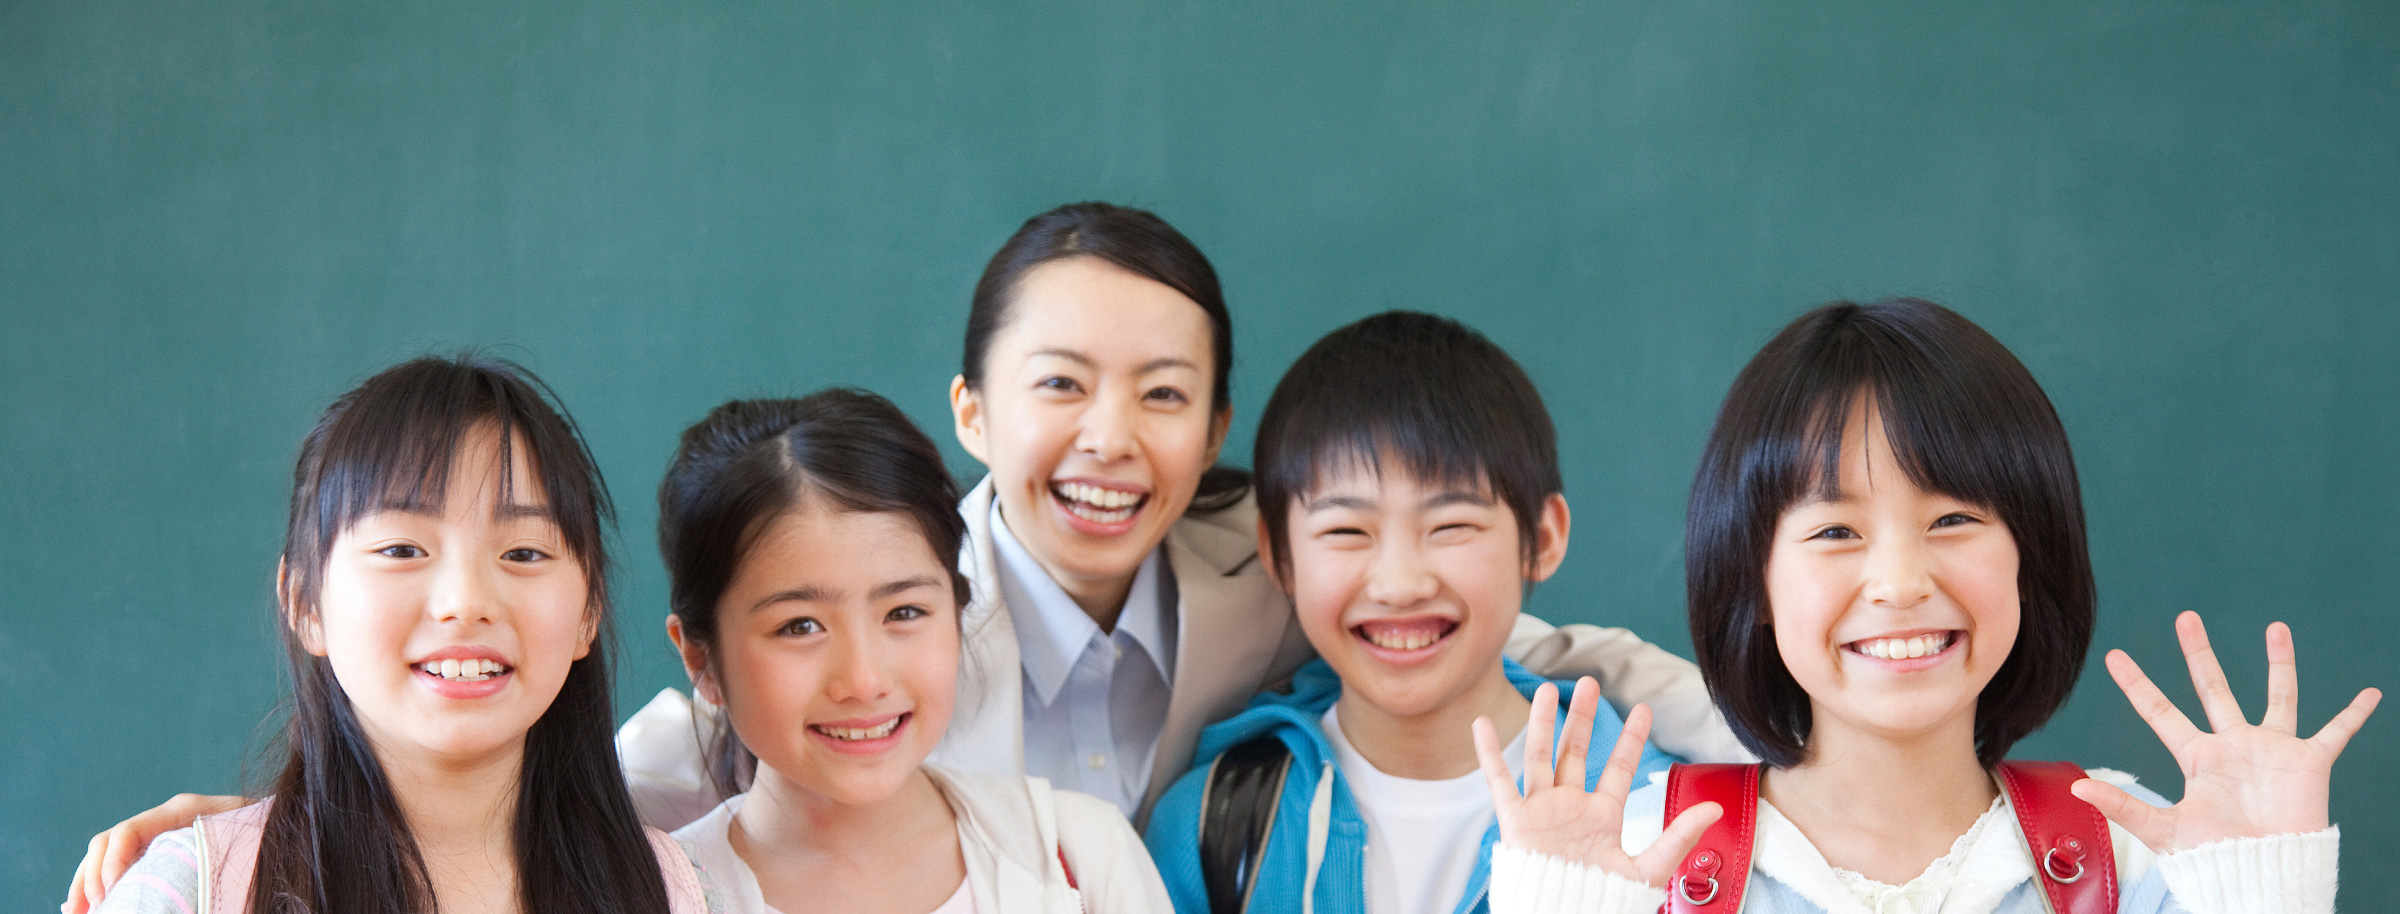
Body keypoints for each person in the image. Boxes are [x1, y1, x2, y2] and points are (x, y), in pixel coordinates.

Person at [67, 202, 1740, 908]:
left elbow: (1492, 626)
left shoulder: (1273, 586)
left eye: (1164, 394)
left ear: (1217, 424)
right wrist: (267, 817)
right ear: (974, 411)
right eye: (1059, 384)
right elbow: (538, 759)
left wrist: (1765, 745)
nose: (1110, 436)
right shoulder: (689, 829)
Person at [1473, 300, 2381, 914]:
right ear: (1753, 583)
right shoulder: (1638, 859)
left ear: (2031, 555)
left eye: (1953, 519)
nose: (1901, 582)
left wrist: (2264, 892)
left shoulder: (2143, 851)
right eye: (1836, 531)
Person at [88, 356, 703, 914]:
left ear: (589, 609)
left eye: (523, 552)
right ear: (305, 602)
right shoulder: (195, 889)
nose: (465, 602)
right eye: (402, 549)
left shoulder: (670, 889)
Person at [1144, 311, 1679, 914]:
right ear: (1279, 555)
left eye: (1450, 526)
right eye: (1346, 530)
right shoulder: (1211, 827)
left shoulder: (1660, 817)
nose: (1399, 584)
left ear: (1543, 537)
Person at [655, 390, 1168, 914]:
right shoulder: (652, 895)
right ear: (701, 659)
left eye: (903, 612)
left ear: (958, 614)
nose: (864, 680)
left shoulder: (1082, 856)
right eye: (799, 626)